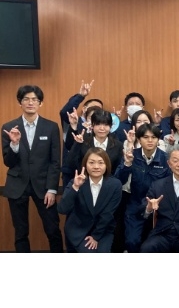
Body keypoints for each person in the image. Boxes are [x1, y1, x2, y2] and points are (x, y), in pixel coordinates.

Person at [2, 85, 64, 252]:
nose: (30, 102)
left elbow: (55, 161)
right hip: (17, 184)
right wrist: (14, 144)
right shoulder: (9, 127)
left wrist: (52, 189)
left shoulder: (51, 127)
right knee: (21, 232)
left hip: (44, 186)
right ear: (20, 102)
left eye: (34, 99)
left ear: (40, 103)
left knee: (52, 229)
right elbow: (8, 162)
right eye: (26, 99)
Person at [114, 123, 170, 253]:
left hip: (158, 207)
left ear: (158, 140)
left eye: (153, 137)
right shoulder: (131, 155)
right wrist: (127, 163)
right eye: (145, 137)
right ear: (139, 139)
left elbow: (170, 184)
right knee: (131, 242)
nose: (150, 140)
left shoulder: (166, 159)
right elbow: (118, 181)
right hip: (135, 204)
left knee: (154, 245)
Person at [57, 147, 122, 252]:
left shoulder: (115, 185)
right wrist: (75, 187)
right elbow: (62, 209)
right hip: (79, 230)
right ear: (85, 165)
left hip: (103, 230)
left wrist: (96, 236)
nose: (96, 166)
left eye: (100, 163)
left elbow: (107, 214)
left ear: (107, 165)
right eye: (91, 162)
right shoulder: (75, 182)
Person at [64, 109, 123, 188]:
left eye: (106, 125)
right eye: (98, 124)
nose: (102, 128)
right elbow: (70, 164)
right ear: (92, 125)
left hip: (108, 187)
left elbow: (118, 170)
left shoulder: (118, 145)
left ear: (111, 126)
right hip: (84, 185)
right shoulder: (83, 141)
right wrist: (77, 144)